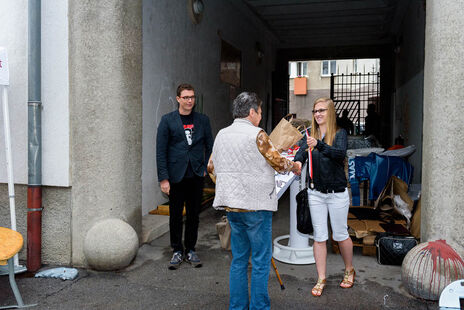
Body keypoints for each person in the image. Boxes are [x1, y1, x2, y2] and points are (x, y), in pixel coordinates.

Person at [207, 92, 300, 310]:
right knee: (259, 261)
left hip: (232, 206)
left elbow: (211, 168)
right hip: (256, 205)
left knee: (239, 259)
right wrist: (294, 166)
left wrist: (229, 182)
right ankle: (259, 307)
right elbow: (277, 163)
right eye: (259, 111)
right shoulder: (257, 134)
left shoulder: (222, 134)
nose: (260, 115)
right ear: (251, 112)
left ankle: (237, 307)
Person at [293, 97, 355, 297]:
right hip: (316, 193)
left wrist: (318, 145)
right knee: (319, 237)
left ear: (330, 112)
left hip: (337, 193)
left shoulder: (340, 133)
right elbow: (301, 152)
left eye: (322, 110)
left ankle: (349, 269)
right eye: (315, 111)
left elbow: (339, 154)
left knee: (340, 235)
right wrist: (296, 162)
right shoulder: (309, 133)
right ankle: (321, 278)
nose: (317, 114)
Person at [156, 83, 213, 270]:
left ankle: (190, 249)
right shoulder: (167, 120)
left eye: (192, 97)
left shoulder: (203, 120)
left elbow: (211, 147)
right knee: (175, 215)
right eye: (186, 97)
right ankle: (176, 250)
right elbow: (161, 151)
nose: (190, 101)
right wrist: (163, 178)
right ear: (178, 99)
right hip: (175, 176)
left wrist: (206, 167)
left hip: (196, 175)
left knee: (194, 215)